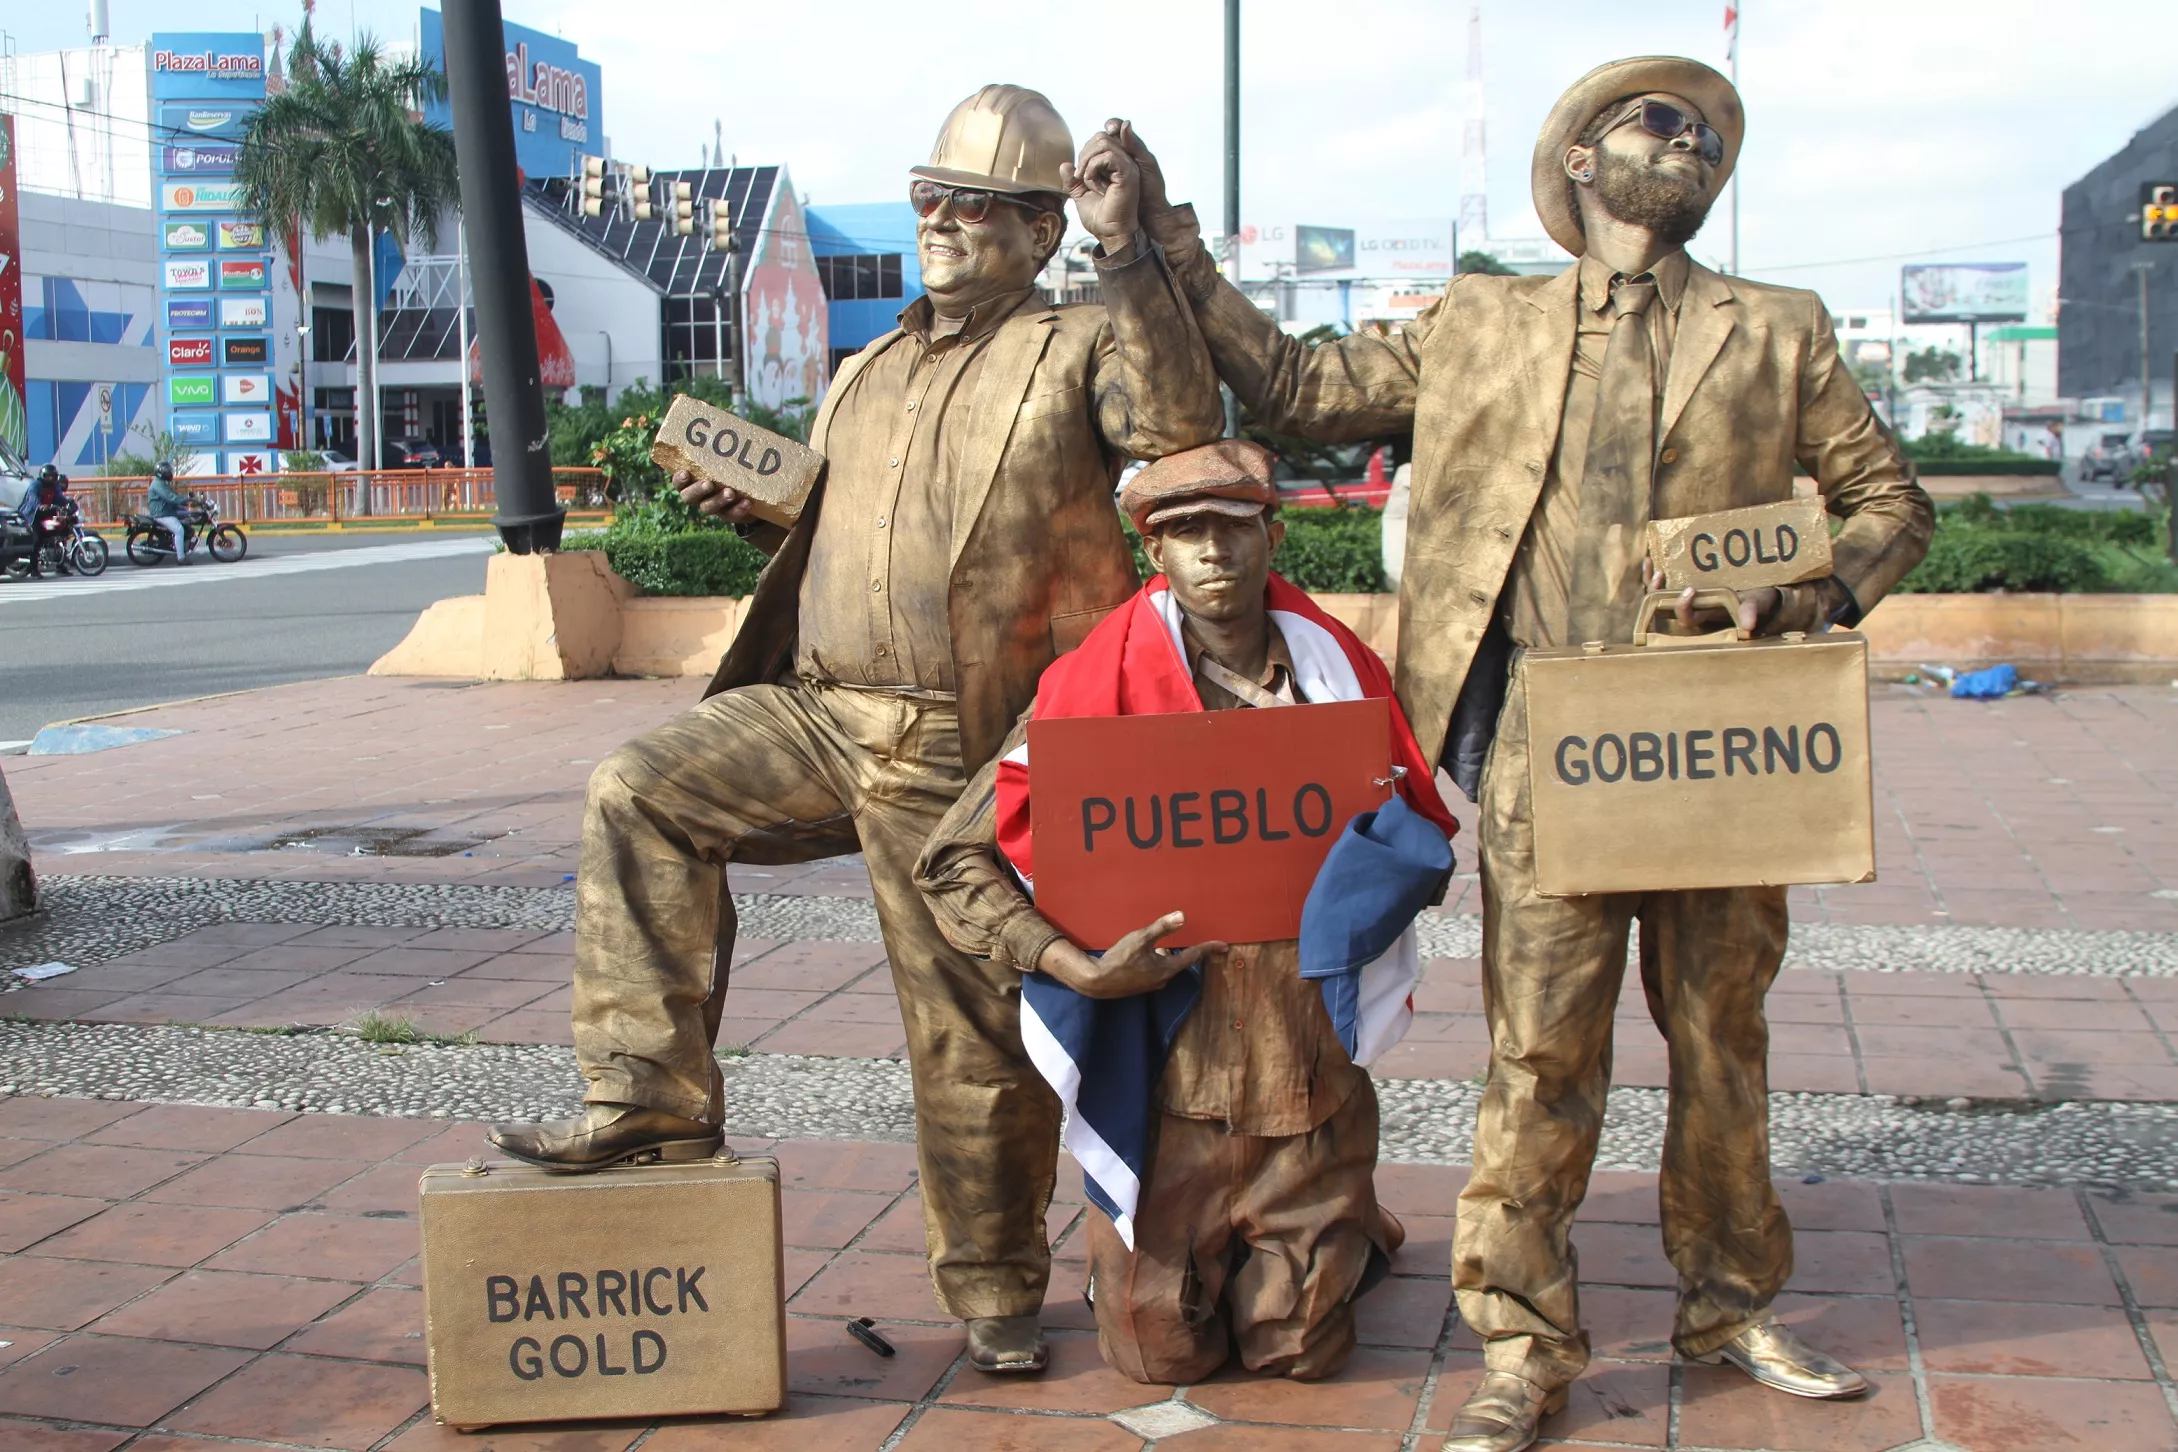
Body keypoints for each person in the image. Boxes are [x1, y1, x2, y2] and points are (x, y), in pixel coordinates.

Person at [1102, 57, 1933, 1451]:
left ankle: (1729, 1303)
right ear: (1582, 160)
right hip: (1553, 746)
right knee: (1538, 1055)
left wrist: (1806, 593)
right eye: (1653, 120)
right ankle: (1522, 1339)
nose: (1686, 140)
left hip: (1721, 745)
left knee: (1722, 1038)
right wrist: (1164, 239)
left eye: (1707, 131)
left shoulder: (1777, 329)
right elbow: (1297, 386)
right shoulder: (1482, 321)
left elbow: (1886, 502)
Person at [485, 85, 1223, 1375]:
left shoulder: (1082, 343)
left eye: (981, 206)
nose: (943, 221)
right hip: (823, 712)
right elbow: (838, 545)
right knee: (638, 788)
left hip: (967, 738)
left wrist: (1131, 246)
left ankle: (994, 1282)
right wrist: (752, 509)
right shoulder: (863, 369)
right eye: (932, 195)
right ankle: (648, 1100)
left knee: (966, 1031)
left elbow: (1176, 431)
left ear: (1041, 231)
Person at [917, 440, 1456, 1385]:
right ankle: (1184, 1246)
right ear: (1154, 555)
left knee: (1300, 1352)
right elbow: (953, 860)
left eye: (1233, 530)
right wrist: (1068, 962)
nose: (1212, 553)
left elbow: (1419, 839)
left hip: (1306, 1086)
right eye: (1184, 534)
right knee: (1160, 1357)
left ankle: (1344, 1222)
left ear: (1272, 537)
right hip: (1170, 1094)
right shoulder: (1094, 696)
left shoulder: (1345, 684)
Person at [146, 462, 189, 564]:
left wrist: (185, 503)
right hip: (161, 513)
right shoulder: (158, 484)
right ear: (162, 472)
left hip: (166, 510)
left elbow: (172, 496)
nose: (170, 473)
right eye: (168, 471)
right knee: (179, 530)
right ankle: (181, 558)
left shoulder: (161, 483)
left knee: (187, 514)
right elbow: (170, 497)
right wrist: (185, 501)